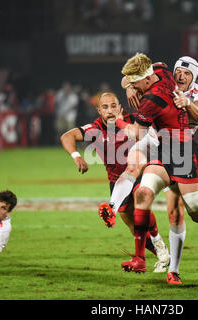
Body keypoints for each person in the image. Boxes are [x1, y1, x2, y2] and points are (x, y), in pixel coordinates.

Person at [99, 56, 198, 284]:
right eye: (179, 71)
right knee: (134, 170)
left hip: (180, 149)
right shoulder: (162, 74)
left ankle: (174, 269)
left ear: (194, 78)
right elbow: (127, 77)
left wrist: (186, 103)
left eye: (187, 74)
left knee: (177, 211)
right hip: (154, 140)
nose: (181, 76)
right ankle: (112, 206)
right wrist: (130, 86)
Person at [60, 92, 170, 273]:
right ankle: (155, 254)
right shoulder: (95, 128)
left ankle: (155, 245)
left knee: (140, 204)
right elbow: (67, 136)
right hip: (117, 181)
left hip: (141, 172)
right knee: (134, 226)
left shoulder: (134, 120)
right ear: (98, 110)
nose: (110, 111)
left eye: (113, 106)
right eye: (105, 107)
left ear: (120, 107)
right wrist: (77, 156)